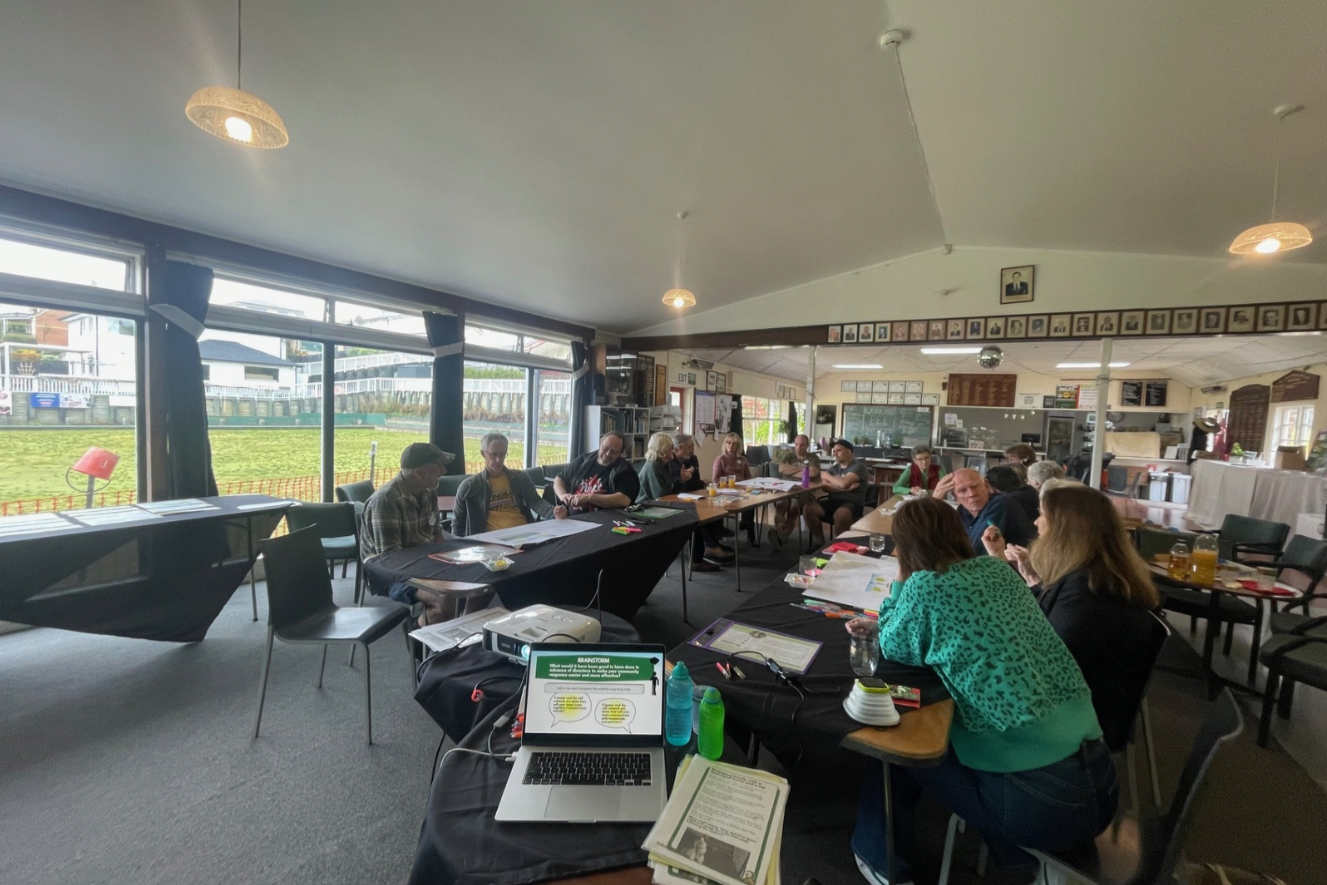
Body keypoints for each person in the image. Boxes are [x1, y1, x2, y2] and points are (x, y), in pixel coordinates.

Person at [846, 496, 1115, 884]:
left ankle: (880, 862)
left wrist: (902, 578)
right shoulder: (999, 571)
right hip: (1100, 781)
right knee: (973, 738)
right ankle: (1023, 860)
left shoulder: (924, 586)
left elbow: (892, 643)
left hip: (1042, 804)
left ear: (903, 546)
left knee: (896, 751)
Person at [982, 484, 1161, 751]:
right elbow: (1044, 627)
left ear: (1065, 530)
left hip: (1081, 716)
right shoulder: (1091, 574)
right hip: (1080, 698)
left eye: (1043, 515)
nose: (1036, 523)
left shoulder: (1091, 590)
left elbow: (1046, 661)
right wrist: (1030, 579)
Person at [360, 442, 455, 624]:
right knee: (446, 598)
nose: (443, 470)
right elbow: (391, 560)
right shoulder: (386, 501)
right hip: (391, 575)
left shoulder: (429, 491)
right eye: (438, 466)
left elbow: (436, 534)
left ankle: (428, 631)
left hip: (423, 563)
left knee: (474, 585)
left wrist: (449, 563)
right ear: (419, 473)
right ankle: (418, 630)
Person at [638, 432, 730, 570]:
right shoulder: (653, 466)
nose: (673, 451)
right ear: (663, 450)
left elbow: (672, 490)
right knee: (693, 518)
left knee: (696, 515)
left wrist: (681, 480)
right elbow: (661, 497)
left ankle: (701, 555)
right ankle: (698, 560)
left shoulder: (664, 464)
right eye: (670, 448)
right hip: (648, 509)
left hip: (660, 504)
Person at [453, 433, 567, 536]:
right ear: (483, 454)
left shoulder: (519, 478)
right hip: (492, 538)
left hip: (525, 532)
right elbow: (458, 524)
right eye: (493, 455)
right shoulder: (469, 486)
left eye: (502, 454)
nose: (498, 460)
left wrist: (553, 511)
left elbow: (535, 501)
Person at [934, 467, 1035, 552]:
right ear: (955, 497)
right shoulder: (963, 511)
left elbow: (975, 550)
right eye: (962, 490)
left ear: (986, 486)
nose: (971, 494)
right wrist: (934, 502)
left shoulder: (1001, 504)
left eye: (975, 487)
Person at [553, 431, 640, 513]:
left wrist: (590, 497)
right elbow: (559, 479)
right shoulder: (583, 460)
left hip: (604, 520)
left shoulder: (624, 470)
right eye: (605, 448)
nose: (607, 454)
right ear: (600, 444)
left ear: (620, 453)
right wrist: (562, 495)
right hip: (572, 518)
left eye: (613, 452)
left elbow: (624, 499)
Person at [804, 438, 869, 547]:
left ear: (848, 452)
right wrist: (848, 488)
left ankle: (839, 547)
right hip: (833, 501)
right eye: (834, 451)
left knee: (841, 514)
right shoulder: (833, 468)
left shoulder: (858, 466)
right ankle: (821, 544)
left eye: (839, 450)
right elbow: (825, 487)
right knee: (808, 509)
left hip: (852, 503)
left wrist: (827, 476)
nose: (835, 453)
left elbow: (843, 483)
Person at [771, 434, 821, 547]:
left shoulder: (813, 457)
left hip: (804, 491)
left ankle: (780, 537)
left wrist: (791, 470)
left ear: (807, 445)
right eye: (797, 444)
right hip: (786, 488)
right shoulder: (789, 456)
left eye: (802, 445)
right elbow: (781, 468)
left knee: (794, 508)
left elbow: (813, 472)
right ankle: (781, 532)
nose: (799, 447)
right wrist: (804, 470)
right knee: (781, 505)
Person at [712, 432, 758, 546]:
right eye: (728, 442)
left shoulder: (743, 460)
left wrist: (746, 486)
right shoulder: (720, 459)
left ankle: (749, 532)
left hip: (742, 490)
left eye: (734, 444)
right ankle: (744, 524)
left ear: (738, 446)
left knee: (752, 502)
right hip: (726, 491)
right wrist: (727, 485)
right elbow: (715, 480)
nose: (731, 446)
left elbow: (748, 477)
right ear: (725, 444)